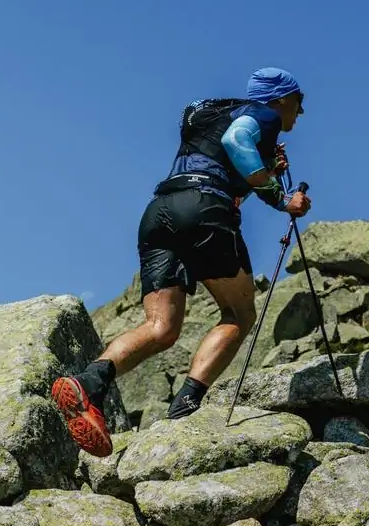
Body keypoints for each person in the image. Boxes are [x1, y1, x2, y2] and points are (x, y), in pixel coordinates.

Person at [50, 67, 312, 457]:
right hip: (204, 210)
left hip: (160, 212)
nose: (300, 112)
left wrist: (265, 170)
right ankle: (185, 408)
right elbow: (237, 140)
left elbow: (222, 165)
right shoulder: (264, 113)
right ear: (282, 98)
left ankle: (88, 383)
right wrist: (281, 196)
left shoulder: (210, 111)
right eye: (299, 102)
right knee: (239, 315)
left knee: (161, 328)